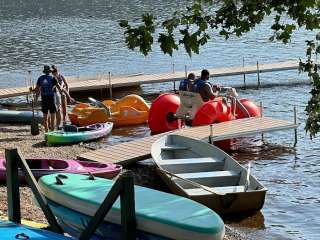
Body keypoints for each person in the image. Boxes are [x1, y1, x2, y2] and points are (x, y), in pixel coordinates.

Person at [31, 65, 73, 132]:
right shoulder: (53, 78)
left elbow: (36, 90)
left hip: (44, 99)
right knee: (53, 118)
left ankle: (46, 132)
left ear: (44, 72)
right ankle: (52, 132)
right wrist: (64, 92)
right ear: (50, 72)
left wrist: (31, 90)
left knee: (45, 118)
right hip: (51, 99)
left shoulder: (40, 78)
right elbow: (59, 89)